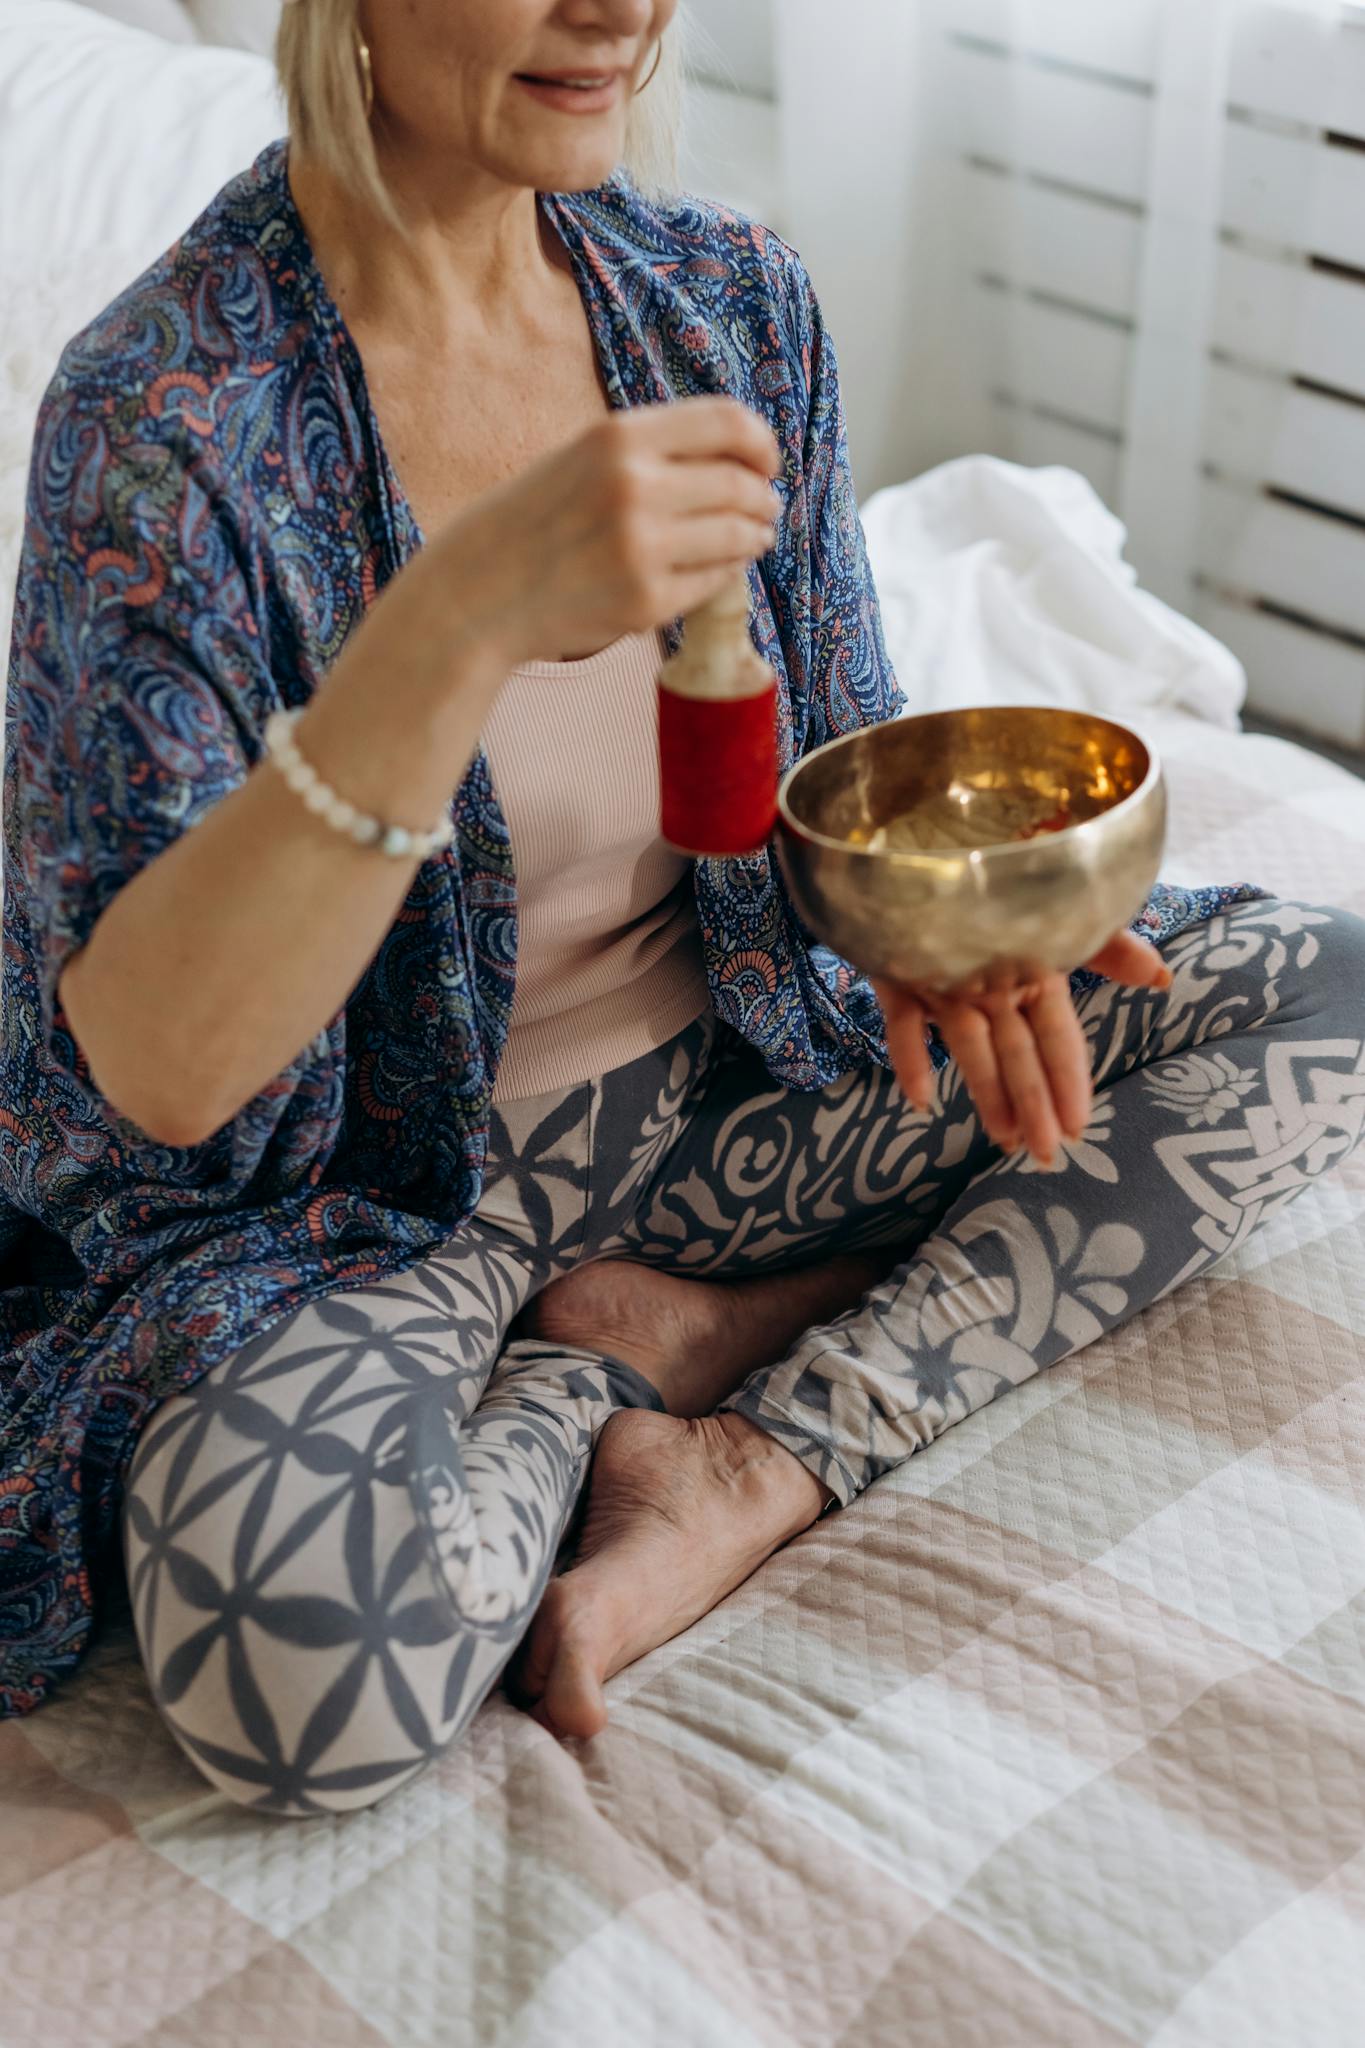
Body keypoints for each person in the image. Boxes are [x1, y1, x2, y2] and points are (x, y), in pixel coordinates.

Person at [2, 0, 1362, 1817]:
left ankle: (747, 1432)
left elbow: (824, 776)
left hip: (729, 1093)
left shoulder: (721, 299)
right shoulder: (166, 419)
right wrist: (461, 616)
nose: (623, 10)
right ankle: (579, 1377)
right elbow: (157, 1075)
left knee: (1322, 983)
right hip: (368, 1205)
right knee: (304, 1678)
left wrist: (941, 927)